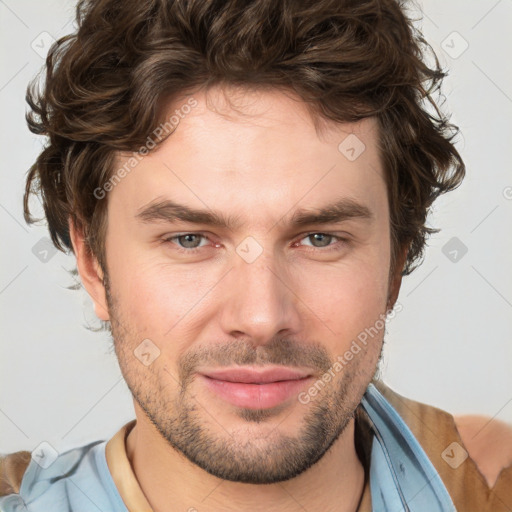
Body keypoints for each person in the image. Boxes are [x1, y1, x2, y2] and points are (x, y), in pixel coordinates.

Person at [1, 0, 511, 510]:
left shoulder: (487, 483)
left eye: (319, 238)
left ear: (396, 262)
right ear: (94, 264)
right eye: (190, 240)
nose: (262, 318)